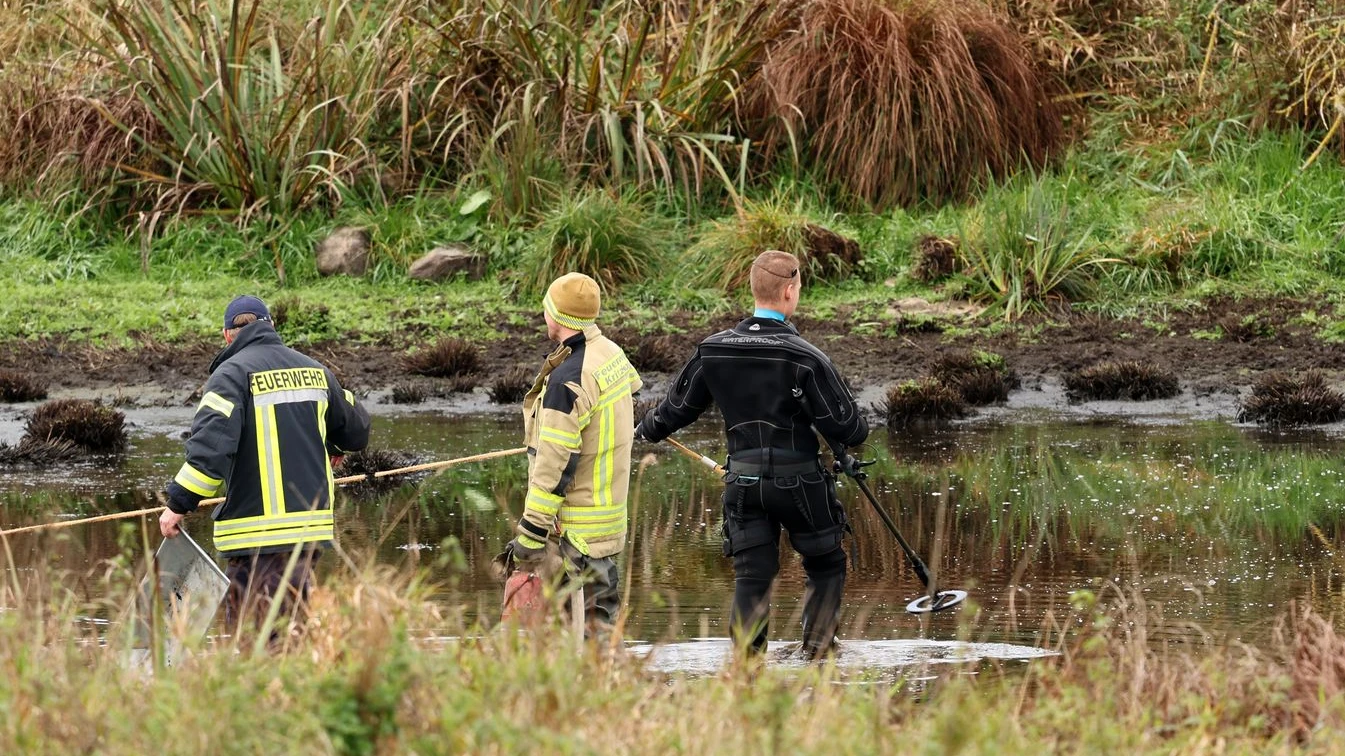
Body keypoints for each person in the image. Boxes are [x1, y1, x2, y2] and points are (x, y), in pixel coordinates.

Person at [634, 250, 869, 659]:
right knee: (826, 564)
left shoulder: (712, 350)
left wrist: (643, 431)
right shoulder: (807, 357)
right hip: (802, 484)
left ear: (753, 288)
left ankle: (745, 669)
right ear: (791, 291)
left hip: (742, 485)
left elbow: (674, 411)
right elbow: (849, 428)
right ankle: (817, 656)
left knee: (752, 577)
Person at [160, 295, 370, 641]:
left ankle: (276, 693)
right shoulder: (315, 370)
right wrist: (335, 445)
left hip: (256, 538)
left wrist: (177, 504)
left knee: (261, 638)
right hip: (307, 534)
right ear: (271, 326)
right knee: (282, 630)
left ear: (227, 335)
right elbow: (357, 428)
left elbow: (210, 452)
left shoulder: (229, 376)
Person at [502, 272, 642, 633]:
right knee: (598, 635)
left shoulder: (568, 381)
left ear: (556, 316)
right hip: (604, 527)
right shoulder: (610, 354)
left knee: (574, 642)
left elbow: (554, 468)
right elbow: (627, 395)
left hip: (573, 538)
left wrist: (530, 536)